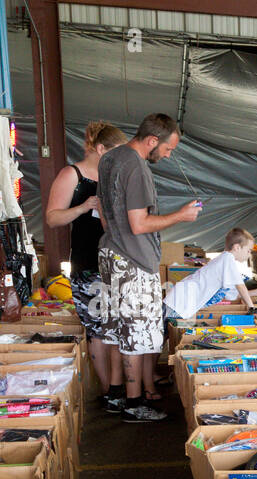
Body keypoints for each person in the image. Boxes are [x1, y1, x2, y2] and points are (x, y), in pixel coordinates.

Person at [96, 112, 200, 422]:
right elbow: (139, 223)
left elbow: (103, 207)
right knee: (136, 334)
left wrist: (117, 237)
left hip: (110, 253)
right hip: (133, 260)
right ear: (152, 140)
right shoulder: (136, 167)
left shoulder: (110, 158)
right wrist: (179, 216)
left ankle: (115, 394)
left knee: (116, 329)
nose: (168, 155)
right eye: (168, 149)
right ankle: (133, 402)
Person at [43, 120, 127, 398]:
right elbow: (53, 217)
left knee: (116, 328)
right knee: (99, 331)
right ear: (100, 148)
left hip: (117, 263)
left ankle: (118, 387)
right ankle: (108, 390)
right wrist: (82, 207)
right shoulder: (73, 174)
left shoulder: (115, 174)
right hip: (87, 264)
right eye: (116, 152)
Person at [164, 228, 256, 321]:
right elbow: (240, 286)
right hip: (181, 301)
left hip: (181, 299)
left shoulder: (225, 262)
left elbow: (235, 294)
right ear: (237, 247)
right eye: (249, 250)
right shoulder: (228, 259)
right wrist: (253, 309)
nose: (249, 254)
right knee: (171, 329)